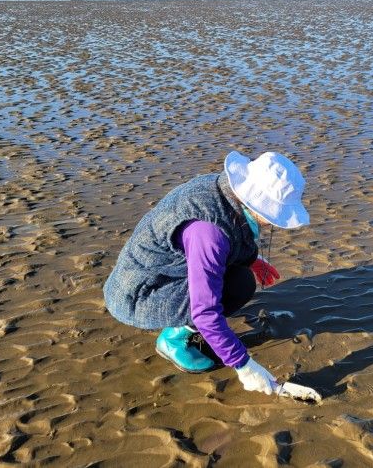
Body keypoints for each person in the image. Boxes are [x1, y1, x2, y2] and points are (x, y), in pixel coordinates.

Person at [103, 150, 309, 395]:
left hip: (162, 271)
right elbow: (206, 312)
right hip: (138, 294)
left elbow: (232, 231)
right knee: (233, 289)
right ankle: (173, 340)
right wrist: (245, 366)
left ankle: (185, 330)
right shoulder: (209, 233)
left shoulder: (222, 190)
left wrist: (253, 259)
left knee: (242, 281)